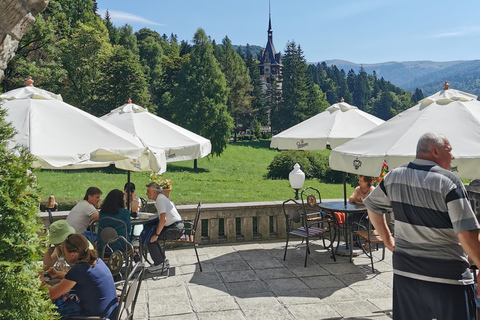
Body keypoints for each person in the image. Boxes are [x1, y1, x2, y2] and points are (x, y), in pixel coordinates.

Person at [363, 132, 480, 320]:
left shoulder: (394, 176)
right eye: (449, 151)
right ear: (435, 151)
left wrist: (387, 240)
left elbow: (372, 207)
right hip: (449, 279)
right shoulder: (449, 182)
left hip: (406, 275)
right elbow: (466, 233)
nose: (453, 156)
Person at [45, 234, 118, 319]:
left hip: (95, 317)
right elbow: (85, 279)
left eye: (65, 254)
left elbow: (51, 295)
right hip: (111, 314)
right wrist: (58, 274)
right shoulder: (97, 260)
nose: (64, 256)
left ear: (73, 255)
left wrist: (41, 281)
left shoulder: (78, 270)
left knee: (50, 309)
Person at [142, 182, 184, 273]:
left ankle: (159, 264)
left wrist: (156, 234)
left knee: (150, 239)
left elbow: (163, 219)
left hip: (175, 229)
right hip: (177, 227)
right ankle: (162, 261)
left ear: (154, 192)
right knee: (151, 236)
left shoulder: (160, 200)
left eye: (148, 191)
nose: (146, 193)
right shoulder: (161, 198)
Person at [97, 189, 132, 254]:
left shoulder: (102, 213)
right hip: (121, 247)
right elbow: (128, 229)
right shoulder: (124, 212)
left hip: (102, 247)